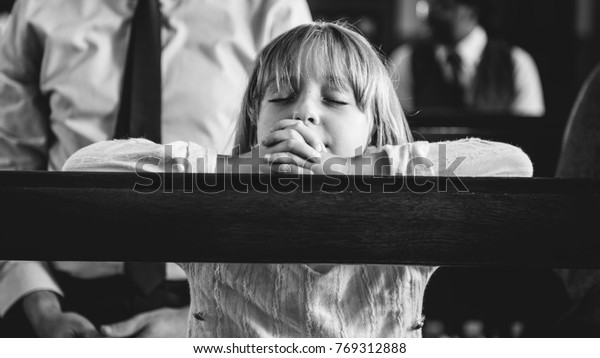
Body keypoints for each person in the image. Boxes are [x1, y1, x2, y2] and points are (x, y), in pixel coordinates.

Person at [63, 22, 534, 337]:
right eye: (283, 96)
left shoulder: (404, 203)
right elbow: (85, 168)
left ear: (373, 126)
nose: (304, 111)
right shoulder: (212, 199)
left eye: (335, 100)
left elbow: (512, 166)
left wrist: (359, 171)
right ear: (255, 118)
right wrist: (233, 170)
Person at [0, 0, 311, 337]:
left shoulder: (273, 8)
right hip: (63, 303)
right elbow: (10, 175)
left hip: (226, 307)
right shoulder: (38, 8)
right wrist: (41, 308)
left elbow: (294, 182)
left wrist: (204, 317)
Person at [390, 0, 545, 116]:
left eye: (444, 5)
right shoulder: (405, 60)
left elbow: (528, 135)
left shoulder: (517, 63)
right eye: (428, 4)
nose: (431, 13)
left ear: (471, 8)